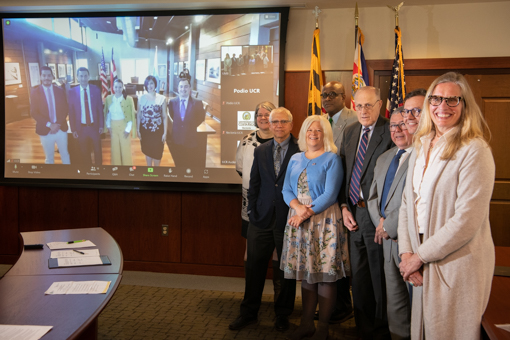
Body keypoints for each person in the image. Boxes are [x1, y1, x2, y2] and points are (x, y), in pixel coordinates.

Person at [398, 72, 495, 339]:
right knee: (424, 330)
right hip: (418, 256)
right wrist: (407, 253)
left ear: (465, 105)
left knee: (449, 331)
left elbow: (467, 219)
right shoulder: (422, 144)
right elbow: (408, 202)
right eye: (437, 99)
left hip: (456, 262)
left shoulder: (474, 149)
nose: (443, 107)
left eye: (452, 100)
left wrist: (420, 257)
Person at [229, 107, 298, 333]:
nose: (278, 125)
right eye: (274, 121)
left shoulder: (301, 150)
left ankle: (282, 315)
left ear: (290, 124)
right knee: (254, 268)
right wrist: (252, 212)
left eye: (282, 121)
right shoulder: (261, 150)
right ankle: (248, 313)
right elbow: (254, 183)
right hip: (260, 219)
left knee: (284, 271)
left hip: (288, 221)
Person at [281, 115, 349, 340]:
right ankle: (307, 324)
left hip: (323, 221)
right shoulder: (295, 158)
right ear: (303, 133)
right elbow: (286, 190)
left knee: (324, 275)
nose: (313, 134)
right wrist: (298, 208)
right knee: (308, 275)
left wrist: (305, 213)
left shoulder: (332, 158)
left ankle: (322, 329)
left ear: (325, 134)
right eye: (309, 130)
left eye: (318, 130)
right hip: (298, 219)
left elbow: (330, 194)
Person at [339, 86, 393, 339]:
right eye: (359, 105)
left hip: (378, 217)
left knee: (379, 276)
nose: (363, 110)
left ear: (380, 105)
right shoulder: (350, 132)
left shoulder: (391, 130)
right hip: (353, 215)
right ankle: (362, 328)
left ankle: (381, 330)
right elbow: (343, 173)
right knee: (358, 277)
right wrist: (342, 207)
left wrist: (387, 216)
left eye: (368, 105)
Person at [367, 108, 413, 340]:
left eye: (403, 124)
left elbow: (413, 201)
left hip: (411, 243)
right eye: (393, 126)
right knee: (395, 302)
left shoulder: (423, 157)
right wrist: (380, 225)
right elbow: (372, 197)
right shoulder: (384, 157)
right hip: (386, 241)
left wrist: (387, 226)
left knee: (415, 302)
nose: (397, 130)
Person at [319, 81, 357, 324]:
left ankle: (344, 305)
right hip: (325, 196)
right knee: (330, 254)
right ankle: (332, 305)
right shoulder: (320, 121)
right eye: (324, 94)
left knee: (343, 255)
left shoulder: (354, 120)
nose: (327, 98)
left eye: (333, 94)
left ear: (344, 97)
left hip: (347, 196)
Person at [235, 101, 277, 298]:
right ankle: (250, 298)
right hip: (251, 203)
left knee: (277, 252)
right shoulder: (246, 140)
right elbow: (240, 167)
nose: (262, 118)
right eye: (259, 114)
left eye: (267, 114)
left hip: (276, 205)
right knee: (250, 249)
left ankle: (279, 301)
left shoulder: (282, 140)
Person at [30, 66, 70, 165]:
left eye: (49, 75)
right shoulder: (35, 92)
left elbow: (65, 108)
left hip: (60, 129)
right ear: (41, 77)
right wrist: (50, 125)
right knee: (49, 158)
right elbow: (34, 112)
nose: (46, 78)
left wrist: (57, 124)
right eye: (44, 75)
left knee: (65, 154)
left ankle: (69, 176)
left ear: (52, 77)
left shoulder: (60, 91)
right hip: (45, 130)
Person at [166, 76, 206, 167]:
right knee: (178, 163)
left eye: (185, 86)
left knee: (189, 164)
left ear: (189, 88)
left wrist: (190, 125)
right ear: (178, 88)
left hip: (190, 139)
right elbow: (173, 116)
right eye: (181, 86)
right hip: (176, 139)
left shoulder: (197, 103)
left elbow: (200, 118)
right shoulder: (172, 102)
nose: (183, 89)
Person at [68, 67, 104, 165]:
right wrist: (73, 129)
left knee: (97, 151)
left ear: (88, 77)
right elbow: (71, 112)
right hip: (81, 128)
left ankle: (99, 170)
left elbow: (100, 109)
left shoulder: (95, 90)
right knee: (84, 152)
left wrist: (101, 125)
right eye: (81, 76)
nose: (83, 78)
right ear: (77, 77)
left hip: (94, 127)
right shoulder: (72, 92)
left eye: (85, 76)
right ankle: (88, 172)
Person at [103, 78, 136, 165]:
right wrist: (108, 126)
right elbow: (108, 114)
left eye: (120, 87)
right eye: (116, 87)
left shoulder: (128, 99)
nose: (118, 89)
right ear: (112, 87)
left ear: (122, 88)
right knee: (115, 150)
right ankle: (116, 169)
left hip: (124, 126)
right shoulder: (109, 99)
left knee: (125, 149)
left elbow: (130, 115)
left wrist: (128, 129)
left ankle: (127, 169)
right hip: (113, 127)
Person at [137, 75, 167, 166]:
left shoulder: (162, 98)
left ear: (155, 84)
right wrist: (138, 130)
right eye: (148, 84)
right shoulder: (141, 98)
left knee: (158, 153)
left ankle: (156, 174)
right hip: (145, 131)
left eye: (151, 83)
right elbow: (138, 115)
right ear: (145, 86)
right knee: (148, 151)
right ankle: (150, 172)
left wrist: (165, 133)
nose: (150, 86)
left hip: (158, 131)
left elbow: (164, 117)